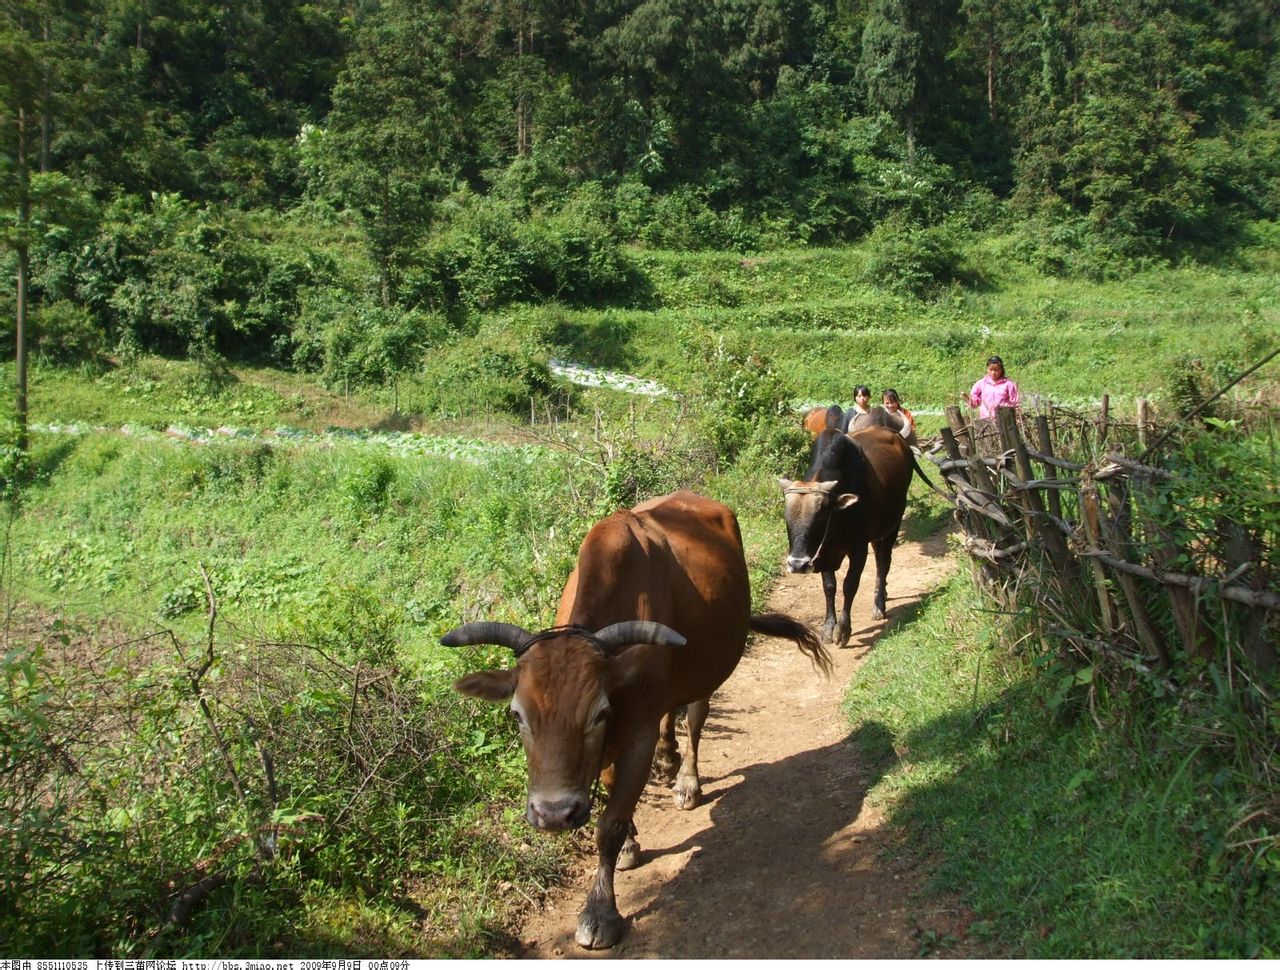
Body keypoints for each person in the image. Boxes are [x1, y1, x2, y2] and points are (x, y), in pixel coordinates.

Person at [968, 355, 1020, 420]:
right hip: (986, 419)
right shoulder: (981, 383)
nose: (993, 373)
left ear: (1001, 370)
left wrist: (1016, 413)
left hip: (1004, 419)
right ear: (987, 368)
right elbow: (974, 401)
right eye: (991, 369)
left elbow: (1015, 402)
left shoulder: (1008, 384)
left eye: (996, 370)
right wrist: (969, 400)